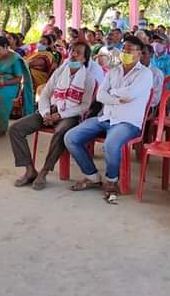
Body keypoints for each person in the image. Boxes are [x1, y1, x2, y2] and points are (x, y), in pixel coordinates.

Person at [65, 36, 153, 199]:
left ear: (139, 54)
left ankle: (112, 180)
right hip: (106, 118)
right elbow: (100, 95)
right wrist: (118, 97)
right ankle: (92, 177)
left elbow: (131, 94)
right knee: (71, 137)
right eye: (124, 48)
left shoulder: (145, 74)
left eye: (130, 49)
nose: (125, 52)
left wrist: (111, 94)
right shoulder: (114, 70)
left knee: (110, 144)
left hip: (128, 122)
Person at [10, 42, 95, 190]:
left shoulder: (88, 78)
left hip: (70, 115)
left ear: (85, 59)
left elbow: (84, 106)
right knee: (15, 129)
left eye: (78, 53)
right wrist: (46, 113)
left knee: (61, 131)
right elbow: (45, 94)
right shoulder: (60, 72)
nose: (74, 54)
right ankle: (30, 170)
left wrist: (60, 115)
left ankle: (44, 171)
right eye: (72, 51)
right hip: (50, 111)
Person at [0, 36, 34, 136]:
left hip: (11, 85)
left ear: (6, 46)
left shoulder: (15, 59)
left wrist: (4, 83)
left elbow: (18, 78)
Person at [140, 44, 164, 110]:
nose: (141, 56)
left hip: (147, 107)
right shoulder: (133, 70)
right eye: (139, 53)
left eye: (144, 53)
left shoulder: (156, 73)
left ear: (151, 55)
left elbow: (155, 99)